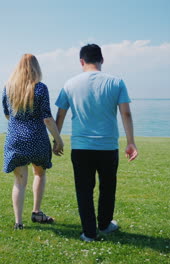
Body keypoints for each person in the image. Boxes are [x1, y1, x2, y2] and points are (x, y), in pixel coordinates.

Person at [55, 44, 138, 242]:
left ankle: (89, 233)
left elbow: (60, 114)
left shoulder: (69, 84)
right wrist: (131, 142)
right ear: (102, 60)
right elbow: (125, 113)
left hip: (81, 147)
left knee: (84, 190)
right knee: (108, 187)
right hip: (108, 147)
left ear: (81, 61)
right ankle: (105, 224)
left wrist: (57, 140)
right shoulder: (117, 82)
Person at [2, 54, 64, 230]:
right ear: (36, 68)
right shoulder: (40, 88)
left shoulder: (8, 88)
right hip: (37, 139)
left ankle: (18, 222)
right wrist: (58, 140)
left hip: (15, 139)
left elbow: (7, 114)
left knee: (20, 181)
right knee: (39, 174)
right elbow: (47, 119)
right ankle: (36, 212)